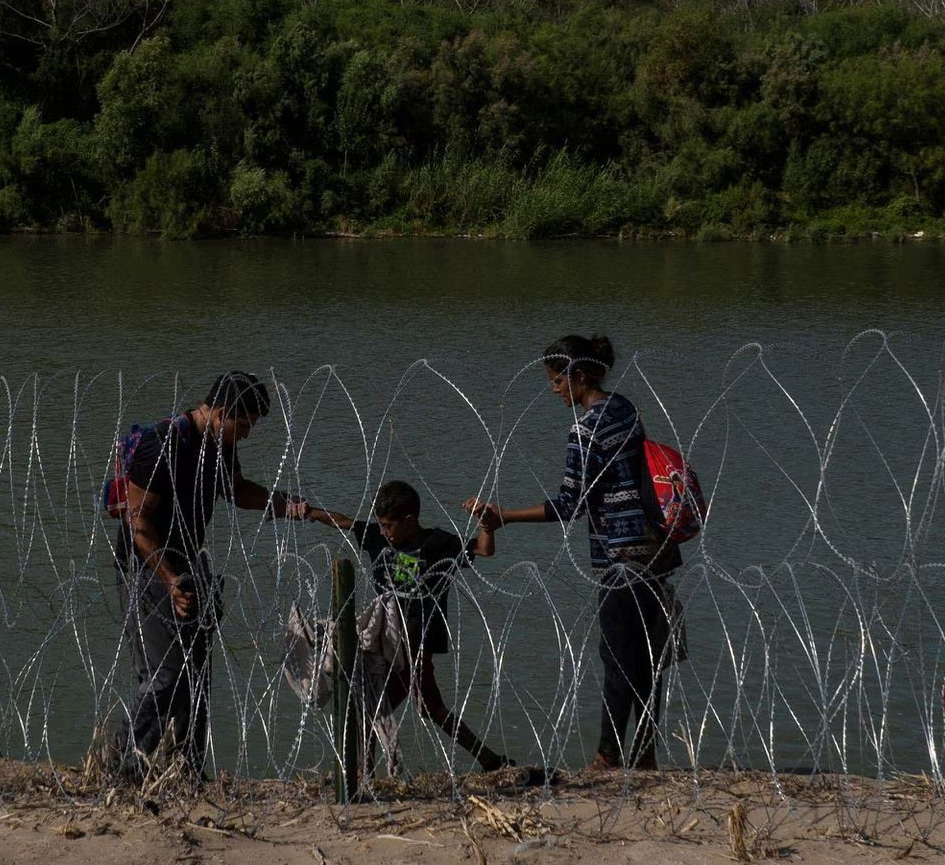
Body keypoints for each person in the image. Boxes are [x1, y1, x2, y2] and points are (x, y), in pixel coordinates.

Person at [468, 334, 679, 771]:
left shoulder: (585, 429)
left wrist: (504, 516)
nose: (554, 390)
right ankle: (644, 754)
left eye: (557, 381)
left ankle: (607, 756)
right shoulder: (625, 409)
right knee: (647, 658)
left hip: (620, 556)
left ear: (578, 376)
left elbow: (569, 504)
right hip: (656, 549)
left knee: (618, 657)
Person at [121, 371, 309, 780]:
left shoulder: (217, 444)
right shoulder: (164, 443)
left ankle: (187, 769)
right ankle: (130, 768)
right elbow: (138, 522)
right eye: (244, 425)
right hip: (150, 568)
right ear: (223, 413)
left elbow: (237, 490)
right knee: (164, 673)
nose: (247, 434)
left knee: (196, 673)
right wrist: (169, 580)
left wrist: (287, 504)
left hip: (190, 564)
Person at [301, 479, 522, 778]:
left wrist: (485, 525)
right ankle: (489, 760)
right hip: (385, 642)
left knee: (375, 706)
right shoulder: (379, 537)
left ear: (410, 520)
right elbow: (343, 521)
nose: (383, 531)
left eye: (389, 526)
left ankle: (361, 777)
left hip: (416, 644)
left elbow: (484, 550)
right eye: (380, 524)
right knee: (426, 707)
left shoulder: (437, 544)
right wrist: (307, 511)